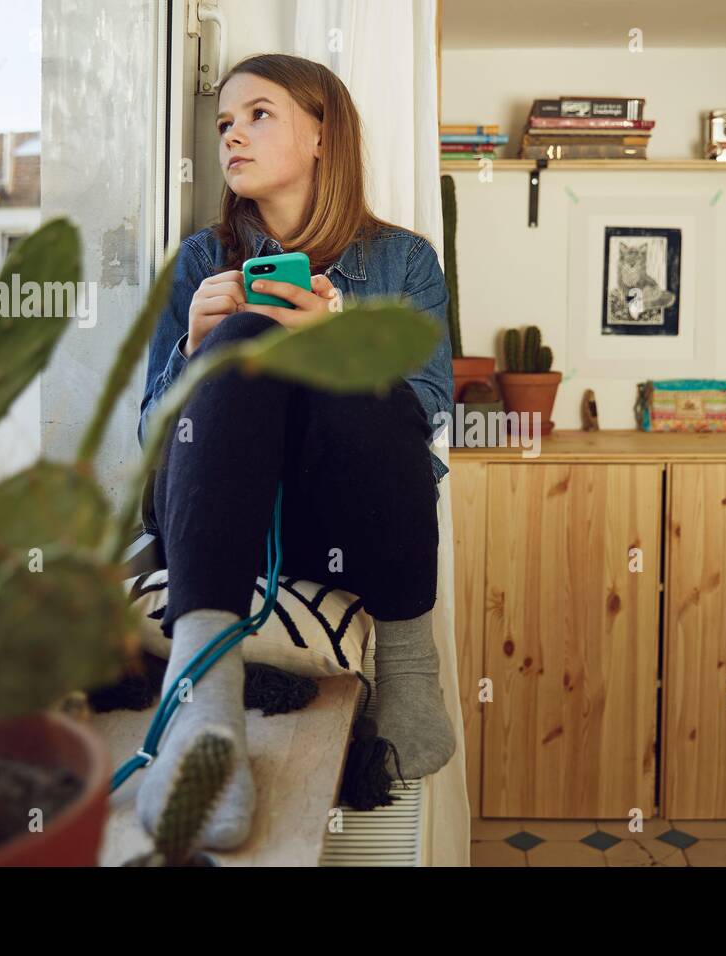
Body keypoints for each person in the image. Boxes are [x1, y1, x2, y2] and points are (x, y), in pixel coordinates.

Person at [135, 52, 456, 849]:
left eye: (258, 115)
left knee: (366, 376)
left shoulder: (405, 261)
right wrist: (194, 352)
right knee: (245, 333)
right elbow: (150, 438)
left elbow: (426, 410)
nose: (232, 137)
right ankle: (204, 701)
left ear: (322, 135)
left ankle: (409, 670)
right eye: (223, 124)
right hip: (209, 517)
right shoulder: (197, 264)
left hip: (339, 523)